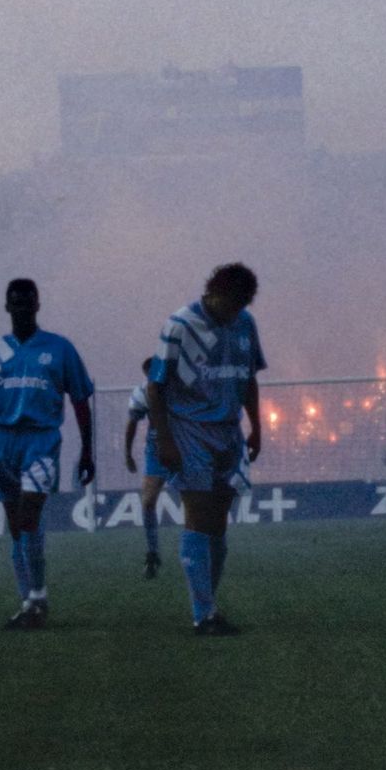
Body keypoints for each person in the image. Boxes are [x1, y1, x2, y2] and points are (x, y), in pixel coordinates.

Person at [0, 278, 96, 628]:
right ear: (6, 307)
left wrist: (87, 450)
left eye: (27, 302)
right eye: (15, 302)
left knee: (29, 519)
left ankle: (38, 596)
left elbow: (80, 401)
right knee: (16, 528)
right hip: (4, 444)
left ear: (37, 305)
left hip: (42, 441)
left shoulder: (60, 349)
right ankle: (29, 601)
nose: (22, 308)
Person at [145, 264, 266, 635]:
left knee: (218, 523)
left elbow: (248, 380)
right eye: (234, 301)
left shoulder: (245, 324)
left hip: (228, 433)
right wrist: (165, 439)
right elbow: (155, 387)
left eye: (244, 302)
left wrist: (256, 427)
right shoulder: (180, 325)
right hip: (190, 431)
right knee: (197, 516)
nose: (238, 309)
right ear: (213, 292)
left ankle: (208, 604)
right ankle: (203, 614)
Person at [123, 385, 166, 578]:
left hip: (185, 448)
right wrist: (128, 454)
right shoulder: (145, 390)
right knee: (148, 502)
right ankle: (152, 554)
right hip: (156, 452)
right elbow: (132, 422)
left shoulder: (183, 384)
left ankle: (201, 551)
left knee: (195, 501)